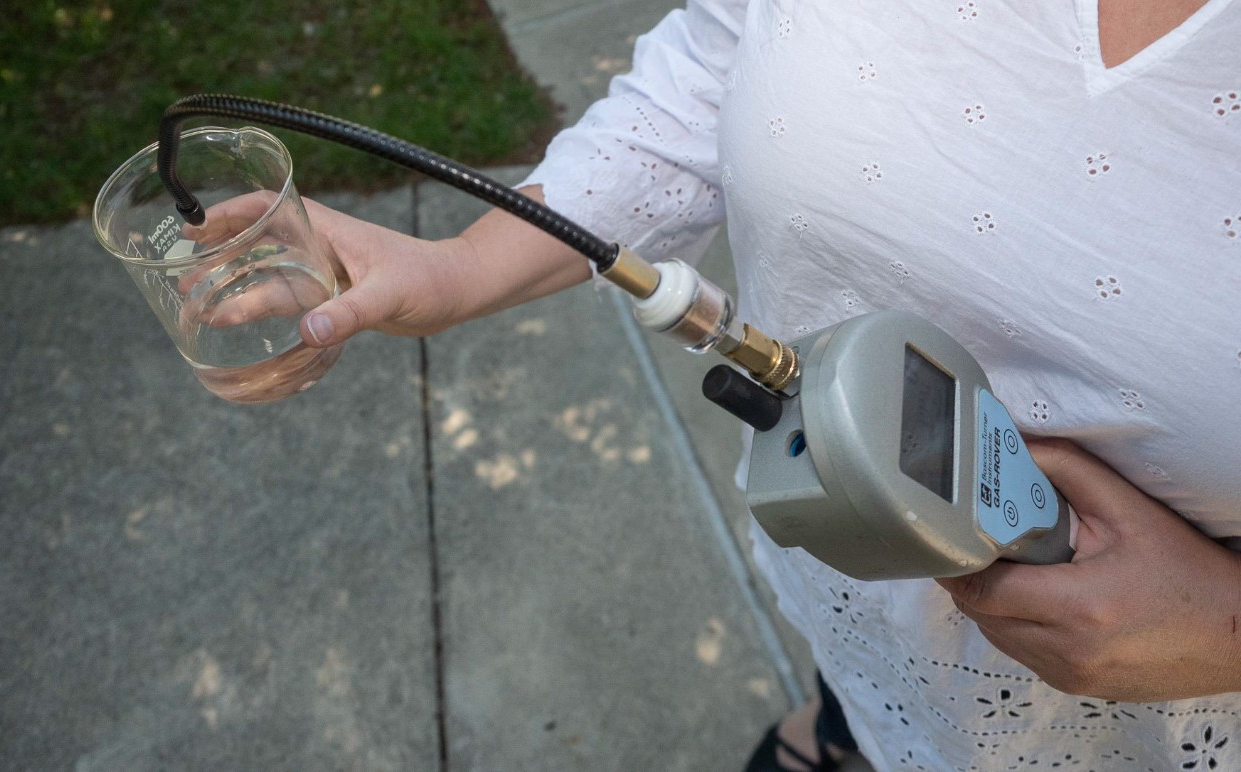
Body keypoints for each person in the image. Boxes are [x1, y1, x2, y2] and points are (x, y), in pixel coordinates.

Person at [292, 1, 1241, 769]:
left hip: (1153, 732)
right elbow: (728, 62)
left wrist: (1225, 633)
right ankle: (843, 735)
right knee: (860, 691)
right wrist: (461, 268)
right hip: (864, 599)